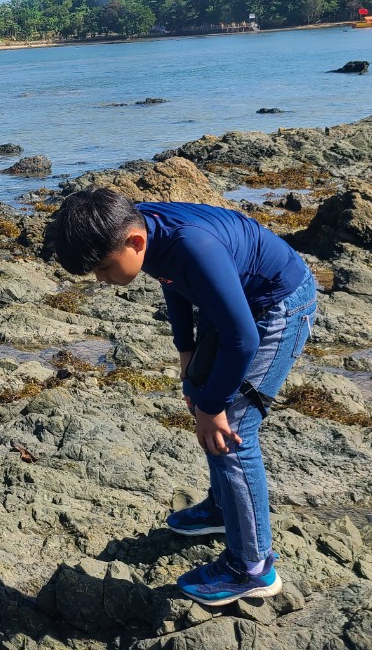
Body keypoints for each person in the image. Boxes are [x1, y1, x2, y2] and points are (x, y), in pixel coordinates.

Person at [48, 188, 318, 606]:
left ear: (134, 242)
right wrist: (186, 350)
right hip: (231, 302)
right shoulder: (141, 227)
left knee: (231, 431)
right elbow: (171, 280)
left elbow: (244, 339)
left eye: (103, 268)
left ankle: (252, 567)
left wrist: (213, 408)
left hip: (276, 305)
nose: (101, 279)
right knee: (197, 392)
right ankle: (223, 509)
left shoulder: (193, 245)